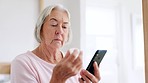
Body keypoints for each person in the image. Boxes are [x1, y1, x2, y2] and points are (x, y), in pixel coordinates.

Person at [11, 4, 101, 83]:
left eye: (65, 26)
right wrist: (58, 79)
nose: (60, 31)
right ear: (40, 29)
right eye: (53, 24)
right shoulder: (23, 63)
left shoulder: (72, 63)